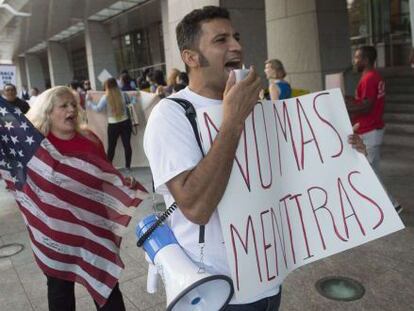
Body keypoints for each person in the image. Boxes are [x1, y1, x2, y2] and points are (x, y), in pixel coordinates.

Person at [144, 6, 367, 311]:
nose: (236, 46)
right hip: (217, 291)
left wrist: (345, 155)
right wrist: (233, 121)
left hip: (269, 279)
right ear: (191, 57)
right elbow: (196, 207)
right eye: (221, 40)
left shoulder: (258, 107)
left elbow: (290, 175)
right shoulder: (171, 115)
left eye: (235, 37)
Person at [25, 86, 129, 310]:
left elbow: (106, 174)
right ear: (48, 112)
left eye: (73, 104)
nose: (71, 109)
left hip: (94, 227)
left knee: (108, 289)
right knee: (60, 292)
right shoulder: (36, 147)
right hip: (57, 231)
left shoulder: (90, 139)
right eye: (63, 106)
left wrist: (121, 184)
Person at [346, 45, 402, 214]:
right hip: (373, 129)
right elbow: (364, 101)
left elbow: (367, 105)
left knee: (368, 171)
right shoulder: (372, 76)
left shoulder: (370, 78)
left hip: (369, 129)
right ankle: (382, 204)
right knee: (372, 170)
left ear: (366, 60)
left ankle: (392, 204)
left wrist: (345, 107)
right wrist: (351, 100)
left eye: (357, 57)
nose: (354, 61)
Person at [86, 78, 134, 170]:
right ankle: (128, 167)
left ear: (106, 86)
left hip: (113, 125)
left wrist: (89, 102)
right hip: (125, 122)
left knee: (111, 147)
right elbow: (131, 103)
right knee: (127, 145)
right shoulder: (123, 94)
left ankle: (108, 167)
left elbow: (98, 109)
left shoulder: (105, 97)